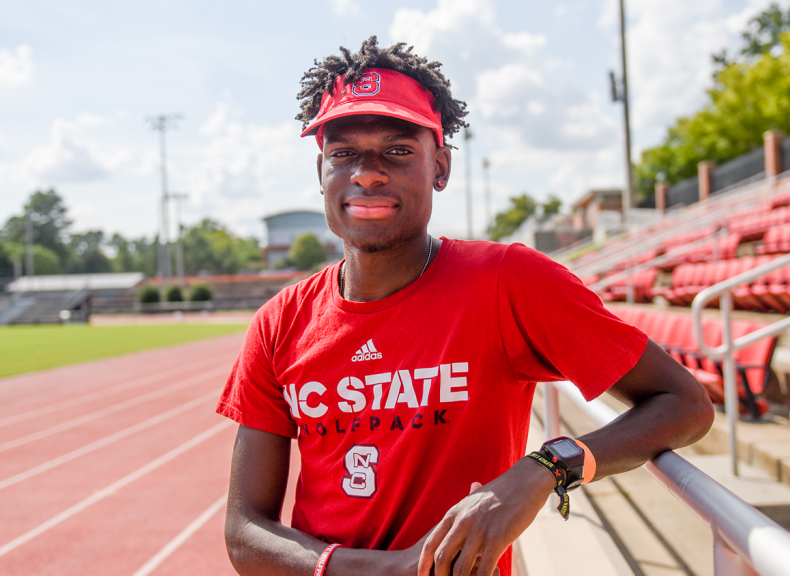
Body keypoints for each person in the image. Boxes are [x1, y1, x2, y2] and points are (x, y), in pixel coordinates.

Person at [217, 36, 713, 576]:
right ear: (321, 174)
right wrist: (394, 571)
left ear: (441, 167)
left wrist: (546, 466)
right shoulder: (279, 322)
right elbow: (245, 533)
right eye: (343, 153)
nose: (367, 172)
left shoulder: (507, 281)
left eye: (399, 150)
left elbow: (685, 405)